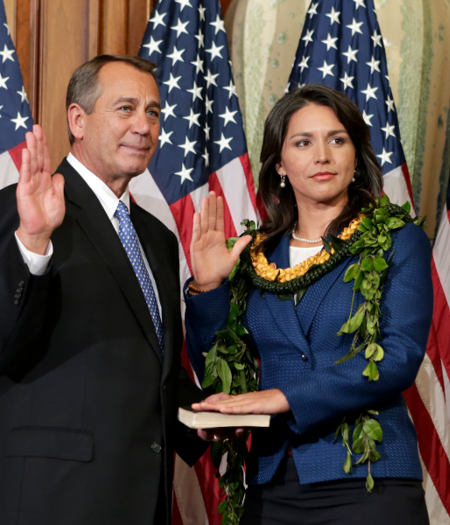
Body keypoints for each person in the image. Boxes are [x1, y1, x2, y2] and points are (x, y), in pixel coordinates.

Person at [0, 54, 206, 525]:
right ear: (78, 118)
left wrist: (212, 416)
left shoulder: (156, 237)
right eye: (126, 109)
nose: (143, 125)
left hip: (137, 501)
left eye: (153, 112)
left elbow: (151, 373)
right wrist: (33, 243)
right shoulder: (28, 209)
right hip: (47, 502)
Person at [184, 84, 433, 524]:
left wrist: (283, 397)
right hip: (273, 481)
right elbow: (221, 370)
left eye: (337, 140)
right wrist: (209, 286)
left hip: (369, 477)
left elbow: (398, 357)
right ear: (279, 163)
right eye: (303, 142)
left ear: (355, 156)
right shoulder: (256, 256)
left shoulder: (398, 239)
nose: (323, 155)